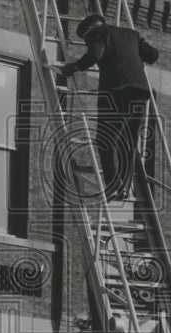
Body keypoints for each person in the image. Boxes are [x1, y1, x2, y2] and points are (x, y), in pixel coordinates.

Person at [59, 12, 159, 200]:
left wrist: (75, 67)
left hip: (115, 92)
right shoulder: (131, 35)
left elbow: (96, 53)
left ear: (89, 30)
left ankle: (113, 184)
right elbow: (153, 55)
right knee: (128, 142)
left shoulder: (97, 32)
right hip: (139, 93)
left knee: (105, 140)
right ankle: (123, 187)